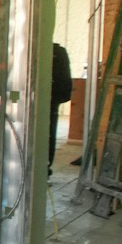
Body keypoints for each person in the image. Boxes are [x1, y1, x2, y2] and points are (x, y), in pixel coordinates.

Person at [49, 42, 73, 172]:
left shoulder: (57, 52)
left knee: (48, 133)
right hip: (52, 99)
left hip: (51, 99)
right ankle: (46, 166)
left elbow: (65, 79)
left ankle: (45, 166)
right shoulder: (58, 52)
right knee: (49, 133)